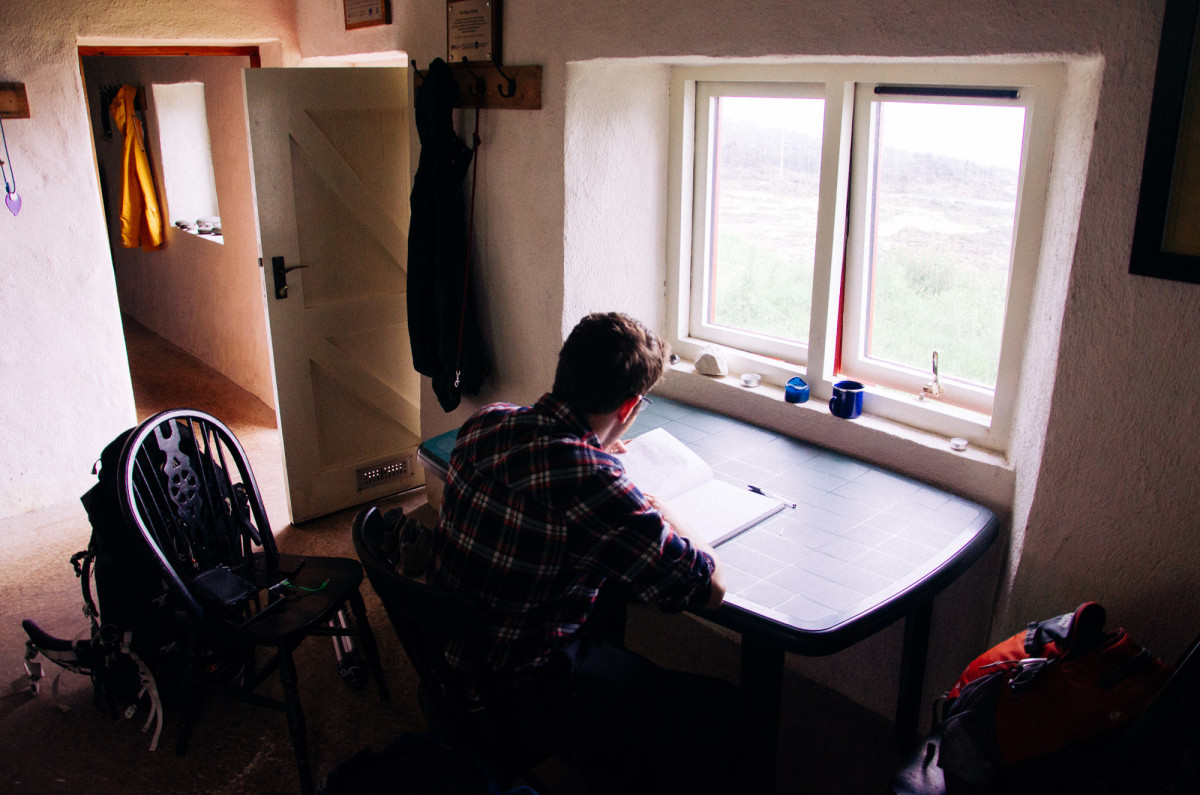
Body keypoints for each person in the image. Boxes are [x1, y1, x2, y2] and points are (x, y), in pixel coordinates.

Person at [428, 311, 747, 793]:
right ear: (629, 409)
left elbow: (547, 475)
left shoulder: (488, 421)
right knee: (724, 711)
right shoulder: (593, 481)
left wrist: (597, 457)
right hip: (514, 688)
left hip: (450, 654)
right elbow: (709, 586)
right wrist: (665, 510)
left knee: (604, 604)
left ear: (564, 370)